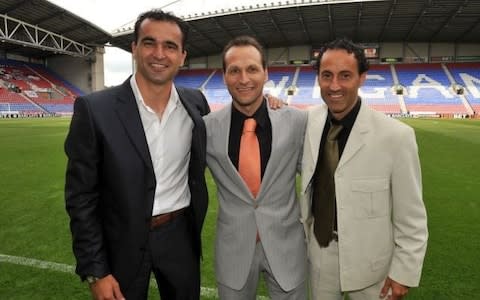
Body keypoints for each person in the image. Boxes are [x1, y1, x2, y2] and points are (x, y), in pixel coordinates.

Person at [64, 9, 210, 299]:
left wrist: (270, 101)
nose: (159, 53)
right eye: (149, 43)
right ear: (134, 48)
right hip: (121, 239)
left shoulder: (196, 104)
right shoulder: (94, 110)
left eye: (170, 46)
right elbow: (81, 197)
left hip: (179, 234)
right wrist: (96, 269)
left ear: (182, 55)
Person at [299, 37, 428, 300]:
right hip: (320, 253)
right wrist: (272, 101)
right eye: (327, 75)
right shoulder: (306, 121)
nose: (334, 86)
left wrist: (403, 272)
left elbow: (411, 216)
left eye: (345, 75)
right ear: (318, 79)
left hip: (373, 264)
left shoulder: (396, 136)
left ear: (362, 78)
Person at [204, 36, 307, 299]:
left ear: (265, 73)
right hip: (233, 249)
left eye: (252, 69)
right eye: (234, 71)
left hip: (287, 247)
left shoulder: (296, 121)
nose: (243, 79)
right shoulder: (206, 128)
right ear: (224, 76)